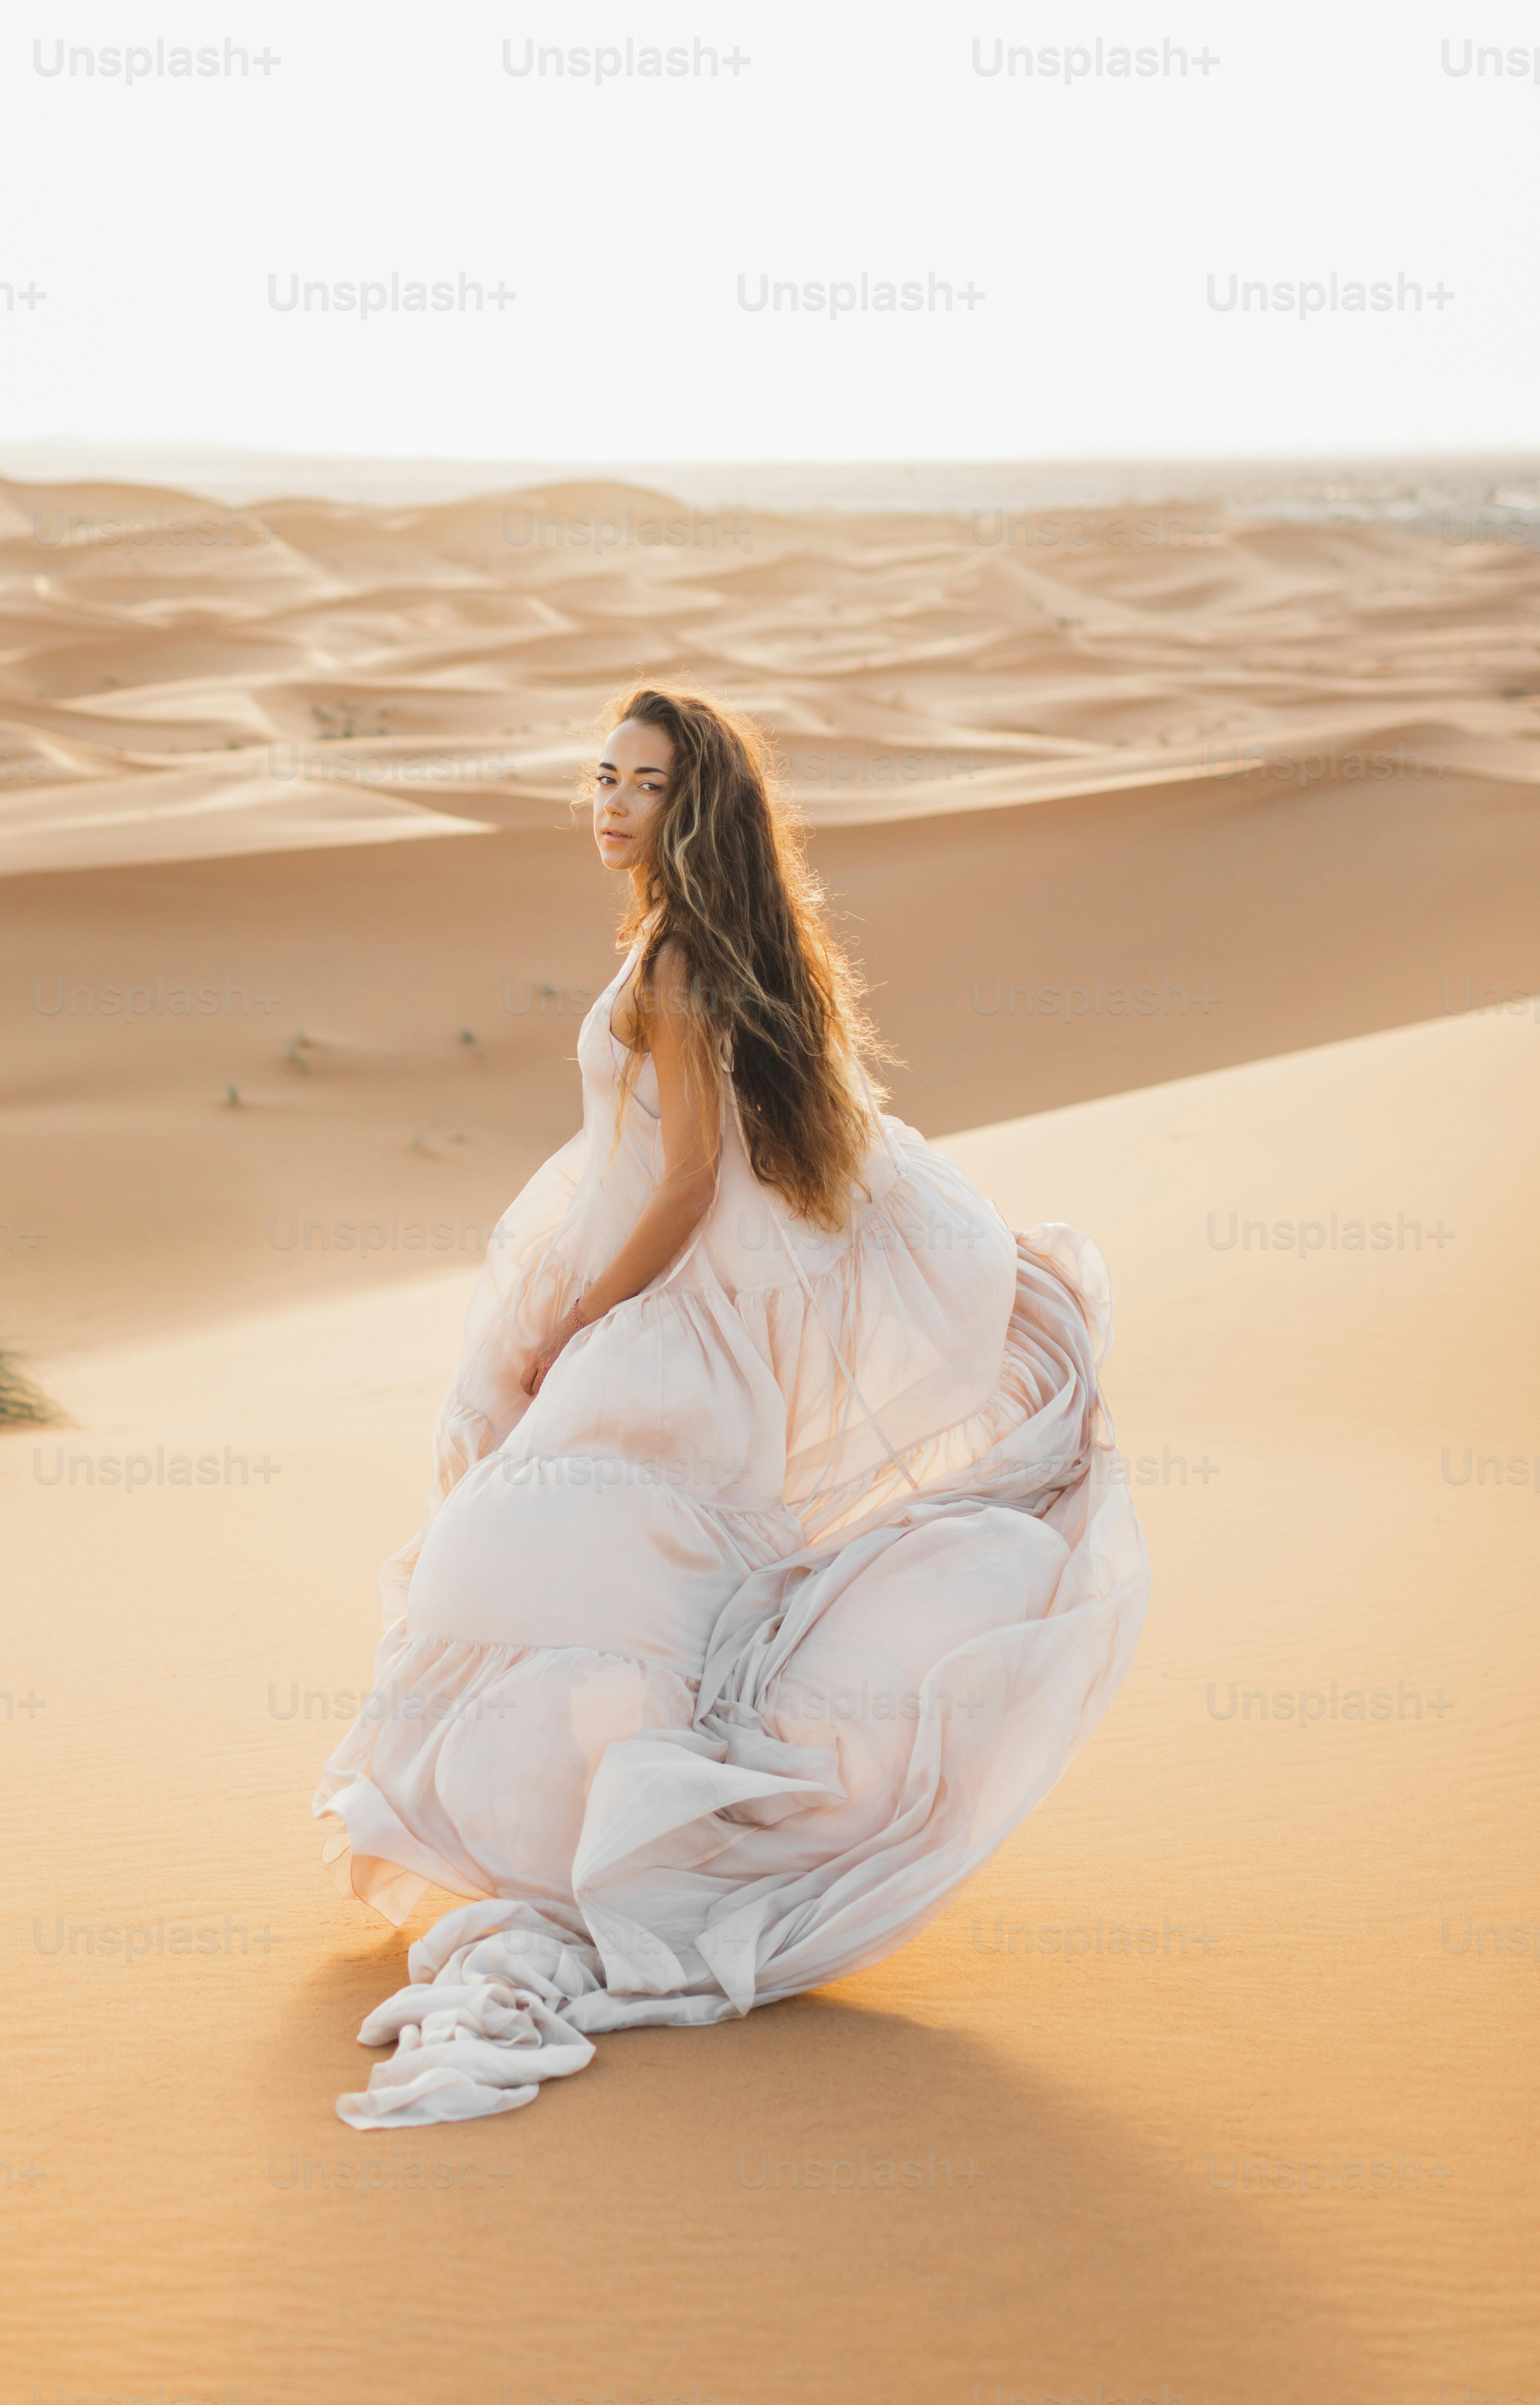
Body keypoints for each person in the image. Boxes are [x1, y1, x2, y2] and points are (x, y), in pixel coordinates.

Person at [315, 683, 1149, 2126]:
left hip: (667, 1343)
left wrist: (587, 1310)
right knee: (608, 1604)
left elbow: (693, 1175)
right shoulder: (680, 945)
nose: (610, 804)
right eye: (601, 776)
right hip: (682, 1341)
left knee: (511, 1569)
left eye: (642, 784)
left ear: (695, 810)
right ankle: (607, 1860)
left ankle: (620, 1870)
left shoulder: (683, 962)